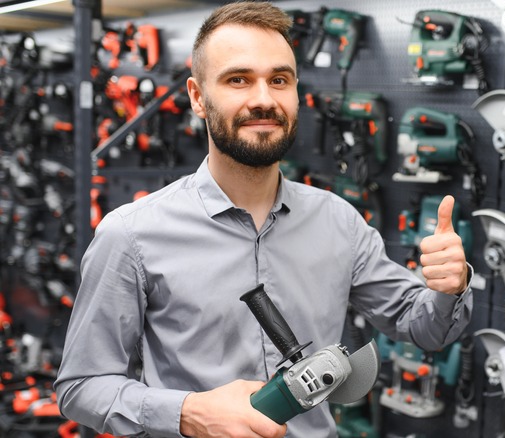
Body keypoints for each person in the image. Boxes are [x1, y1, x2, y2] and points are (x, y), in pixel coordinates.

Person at [54, 2, 473, 437]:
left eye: (279, 80)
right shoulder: (131, 234)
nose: (263, 99)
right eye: (238, 79)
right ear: (198, 97)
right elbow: (81, 387)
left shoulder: (340, 222)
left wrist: (450, 287)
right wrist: (187, 412)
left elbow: (424, 327)